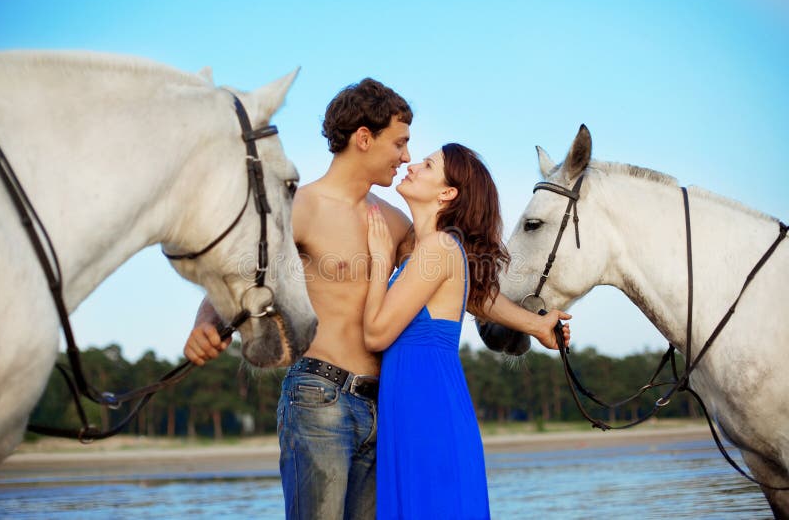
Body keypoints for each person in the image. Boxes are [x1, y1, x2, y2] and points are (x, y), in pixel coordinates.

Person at [184, 80, 570, 519]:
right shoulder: (302, 207)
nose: (406, 156)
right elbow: (235, 274)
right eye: (400, 143)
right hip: (320, 398)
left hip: (385, 408)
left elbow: (463, 293)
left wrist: (533, 324)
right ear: (364, 139)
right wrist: (204, 323)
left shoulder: (394, 221)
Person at [363, 143, 571, 519]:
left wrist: (380, 261)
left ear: (447, 193)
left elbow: (376, 335)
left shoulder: (439, 248)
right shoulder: (430, 249)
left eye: (427, 165)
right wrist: (537, 325)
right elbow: (478, 298)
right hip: (416, 407)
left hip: (427, 410)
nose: (412, 166)